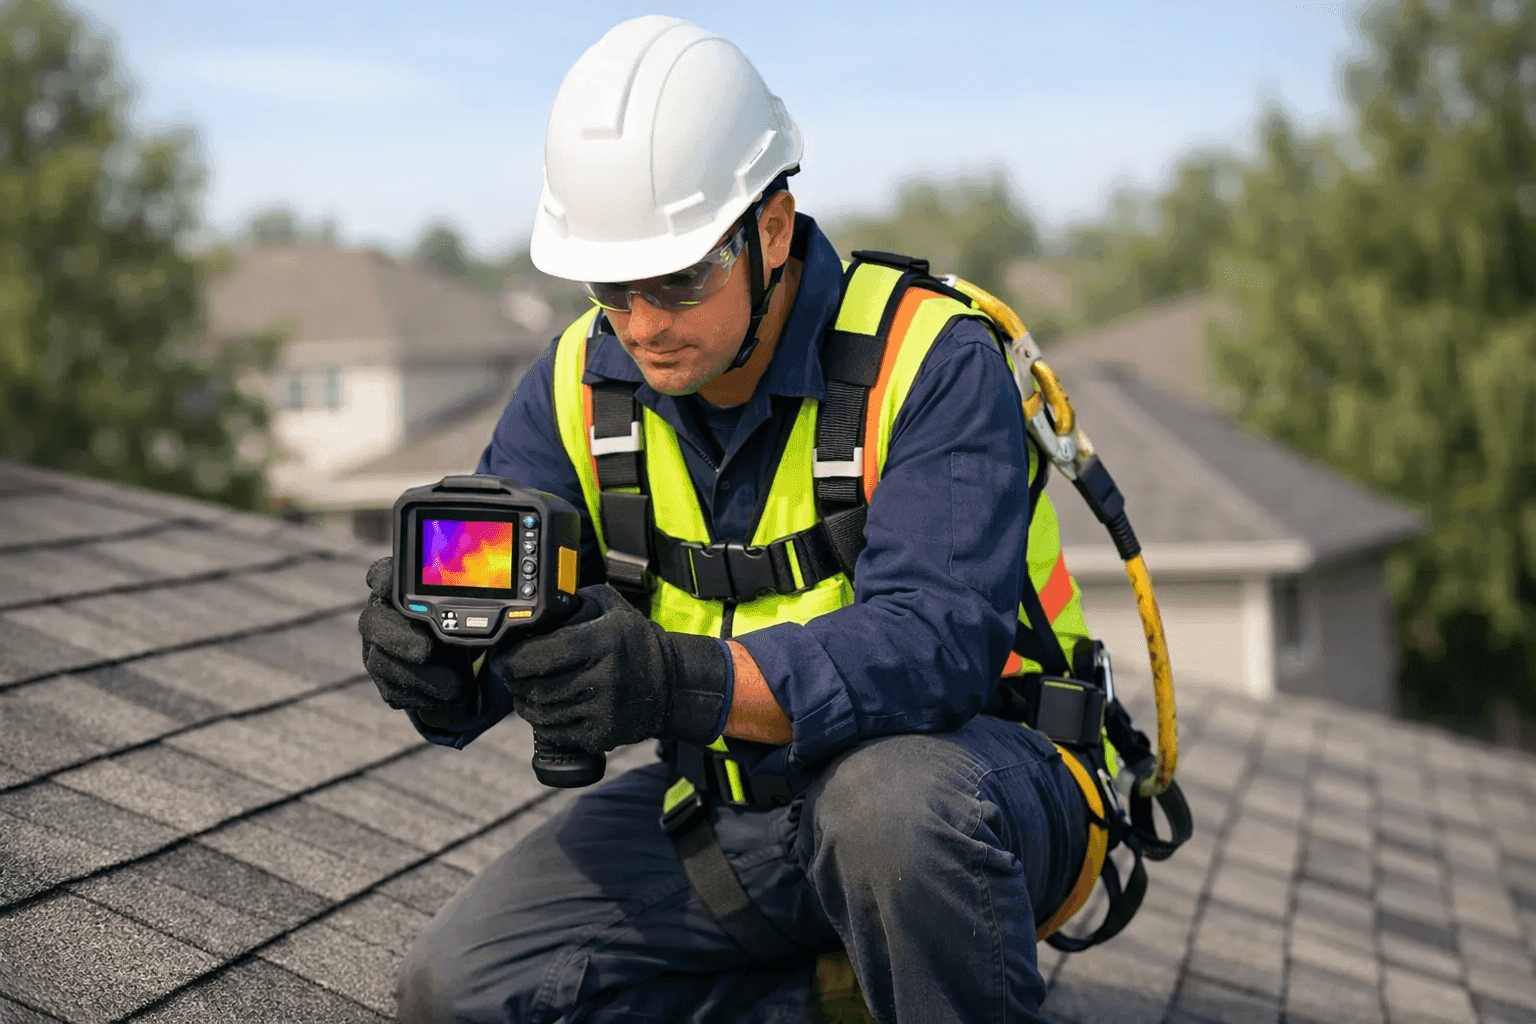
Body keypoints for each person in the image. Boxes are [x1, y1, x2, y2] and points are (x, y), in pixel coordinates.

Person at [359, 14, 1103, 1023]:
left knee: (884, 811)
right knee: (461, 990)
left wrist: (673, 681)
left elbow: (936, 648)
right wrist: (443, 668)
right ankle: (824, 998)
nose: (643, 321)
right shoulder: (581, 380)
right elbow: (512, 594)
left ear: (774, 228)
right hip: (737, 810)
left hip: (976, 798)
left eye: (677, 275)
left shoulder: (930, 358)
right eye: (611, 284)